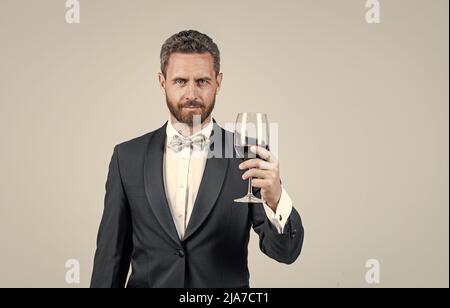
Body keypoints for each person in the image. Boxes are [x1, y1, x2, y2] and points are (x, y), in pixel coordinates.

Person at [90, 30, 304, 288]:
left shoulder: (246, 154)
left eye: (202, 81)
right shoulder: (127, 157)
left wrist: (276, 198)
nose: (191, 93)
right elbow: (110, 258)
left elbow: (285, 252)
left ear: (218, 82)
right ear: (162, 82)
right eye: (180, 81)